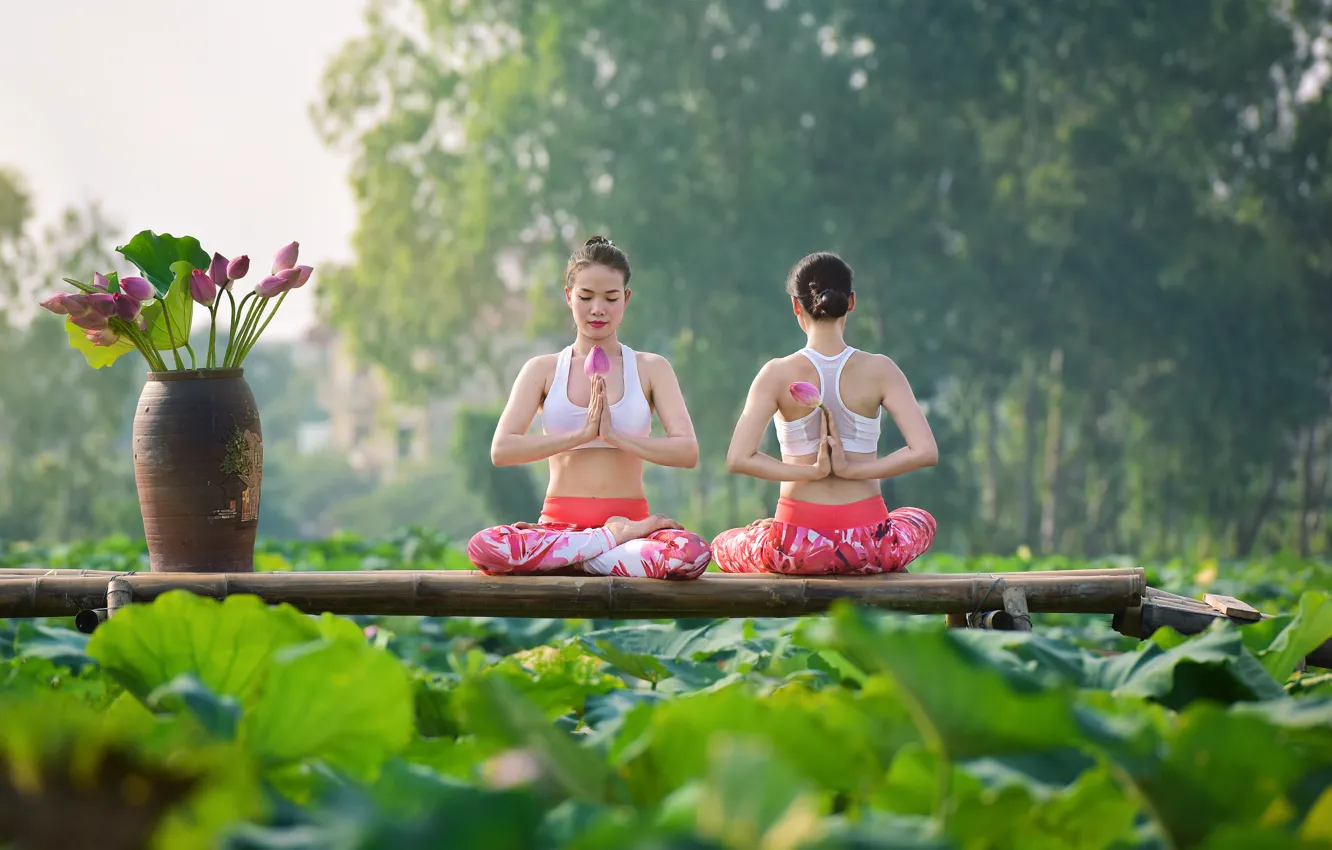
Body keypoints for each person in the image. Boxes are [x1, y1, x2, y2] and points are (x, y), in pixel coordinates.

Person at [466, 236, 712, 579]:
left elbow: (687, 452)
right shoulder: (543, 369)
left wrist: (615, 437)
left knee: (690, 554)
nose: (598, 308)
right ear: (569, 297)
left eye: (611, 298)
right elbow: (502, 449)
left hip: (631, 530)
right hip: (564, 530)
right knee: (484, 547)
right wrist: (582, 434)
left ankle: (574, 557)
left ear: (625, 299)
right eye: (586, 297)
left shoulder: (651, 368)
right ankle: (604, 544)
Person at [712, 251, 939, 575]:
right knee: (921, 520)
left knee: (724, 542)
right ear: (851, 302)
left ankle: (769, 531)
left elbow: (738, 458)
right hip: (870, 547)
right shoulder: (881, 369)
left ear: (796, 305)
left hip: (795, 548)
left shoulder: (776, 373)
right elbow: (925, 451)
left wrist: (811, 472)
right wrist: (855, 470)